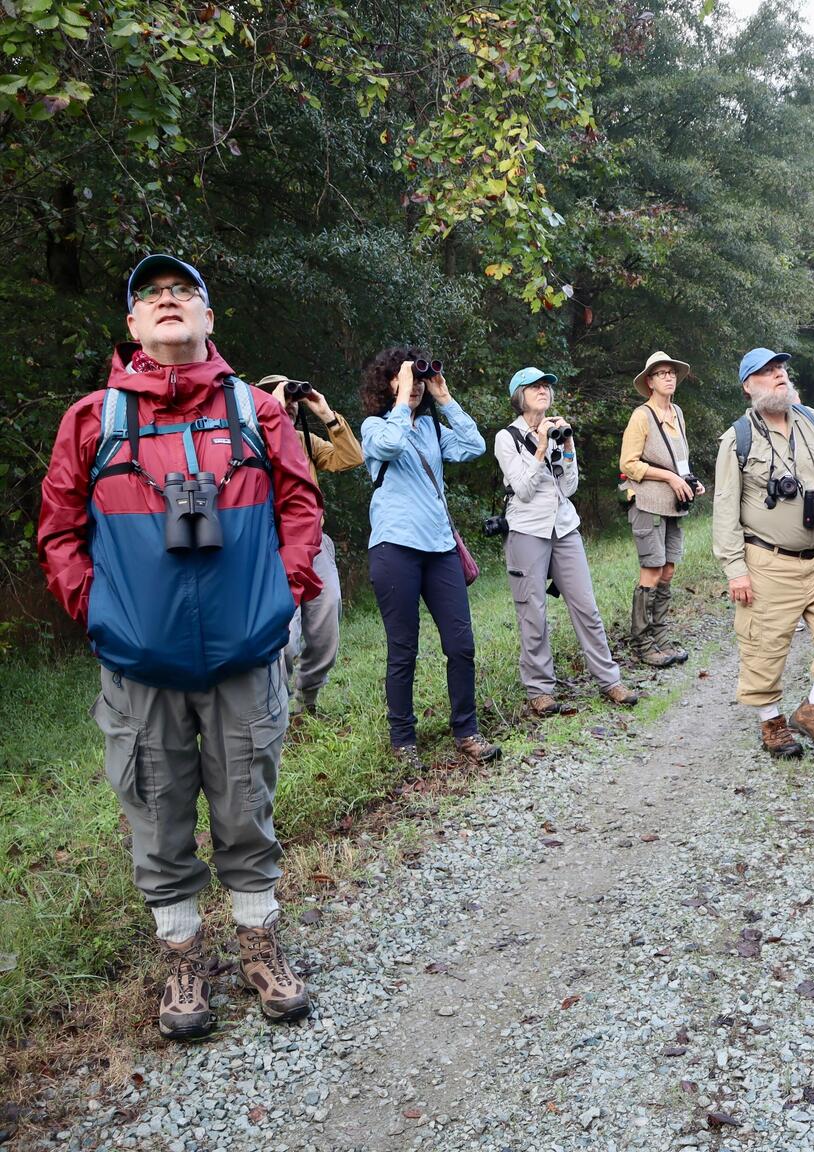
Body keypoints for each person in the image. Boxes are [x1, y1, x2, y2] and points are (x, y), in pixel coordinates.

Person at [37, 254, 323, 1041]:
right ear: (132, 325)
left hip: (244, 655)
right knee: (157, 815)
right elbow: (60, 531)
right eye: (151, 297)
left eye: (183, 294)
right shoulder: (93, 420)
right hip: (139, 665)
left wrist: (283, 596)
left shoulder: (257, 414)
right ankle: (183, 961)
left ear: (207, 318)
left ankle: (259, 944)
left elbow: (301, 506)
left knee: (246, 808)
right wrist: (99, 613)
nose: (168, 303)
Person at [359, 346, 500, 769]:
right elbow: (387, 445)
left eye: (419, 378)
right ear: (387, 384)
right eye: (406, 378)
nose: (415, 385)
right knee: (403, 649)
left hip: (440, 549)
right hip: (395, 548)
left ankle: (467, 731)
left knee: (461, 645)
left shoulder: (432, 429)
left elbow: (475, 445)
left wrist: (445, 398)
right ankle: (403, 741)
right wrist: (403, 398)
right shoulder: (374, 425)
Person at [712, 348, 814, 758]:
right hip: (767, 561)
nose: (779, 376)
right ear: (749, 386)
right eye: (767, 373)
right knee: (763, 648)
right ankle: (771, 723)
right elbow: (725, 507)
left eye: (781, 369)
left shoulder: (813, 421)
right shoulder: (738, 438)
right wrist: (735, 570)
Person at [494, 367, 639, 715]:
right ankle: (540, 689)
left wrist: (568, 445)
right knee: (534, 613)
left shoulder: (557, 429)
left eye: (547, 386)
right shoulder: (506, 438)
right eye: (535, 386)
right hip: (527, 530)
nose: (543, 390)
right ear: (519, 395)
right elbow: (525, 489)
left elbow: (569, 486)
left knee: (586, 606)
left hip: (564, 527)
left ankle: (609, 680)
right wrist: (541, 447)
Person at [259, 375, 364, 717]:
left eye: (292, 397)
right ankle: (280, 708)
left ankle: (308, 701)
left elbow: (351, 458)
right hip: (271, 549)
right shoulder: (247, 440)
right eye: (282, 397)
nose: (289, 403)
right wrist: (270, 412)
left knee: (325, 627)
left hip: (315, 544)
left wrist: (326, 414)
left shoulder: (305, 440)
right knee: (284, 639)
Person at [619, 351, 703, 667]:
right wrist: (668, 476)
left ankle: (660, 636)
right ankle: (642, 643)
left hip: (674, 503)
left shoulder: (678, 413)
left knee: (668, 570)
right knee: (652, 570)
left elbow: (679, 459)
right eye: (661, 373)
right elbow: (627, 463)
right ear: (650, 381)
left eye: (671, 373)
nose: (669, 377)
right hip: (648, 503)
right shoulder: (642, 415)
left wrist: (690, 481)